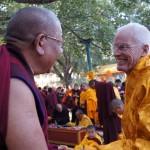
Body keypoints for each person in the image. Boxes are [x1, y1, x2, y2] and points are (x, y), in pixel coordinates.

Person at [0, 6, 64, 150]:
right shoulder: (16, 83)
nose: (61, 51)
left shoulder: (11, 66)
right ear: (41, 42)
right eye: (60, 43)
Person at [91, 23, 150, 149]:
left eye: (123, 47)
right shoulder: (134, 75)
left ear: (144, 50)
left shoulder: (148, 79)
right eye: (115, 47)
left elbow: (146, 144)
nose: (115, 53)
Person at [89, 80, 120, 144]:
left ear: (93, 83)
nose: (93, 89)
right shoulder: (103, 85)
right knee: (110, 127)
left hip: (105, 110)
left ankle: (110, 141)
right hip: (109, 109)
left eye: (93, 87)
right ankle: (111, 141)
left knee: (109, 127)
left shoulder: (99, 86)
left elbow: (100, 100)